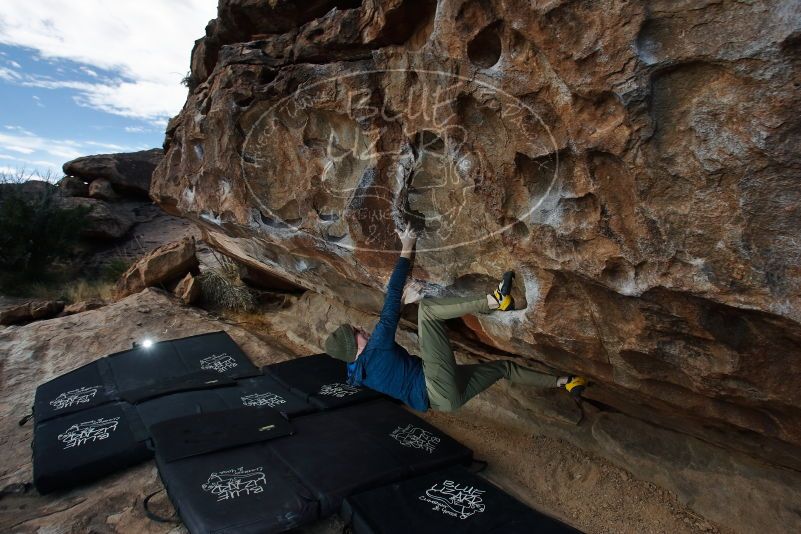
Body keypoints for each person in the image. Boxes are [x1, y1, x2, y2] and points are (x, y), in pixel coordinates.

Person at [324, 223, 586, 412]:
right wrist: (407, 246)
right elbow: (392, 294)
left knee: (502, 368)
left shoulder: (357, 371)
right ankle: (495, 301)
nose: (363, 330)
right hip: (434, 386)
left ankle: (565, 381)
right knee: (427, 311)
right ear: (355, 344)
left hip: (446, 403)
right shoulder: (376, 347)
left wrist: (403, 302)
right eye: (357, 332)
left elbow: (393, 310)